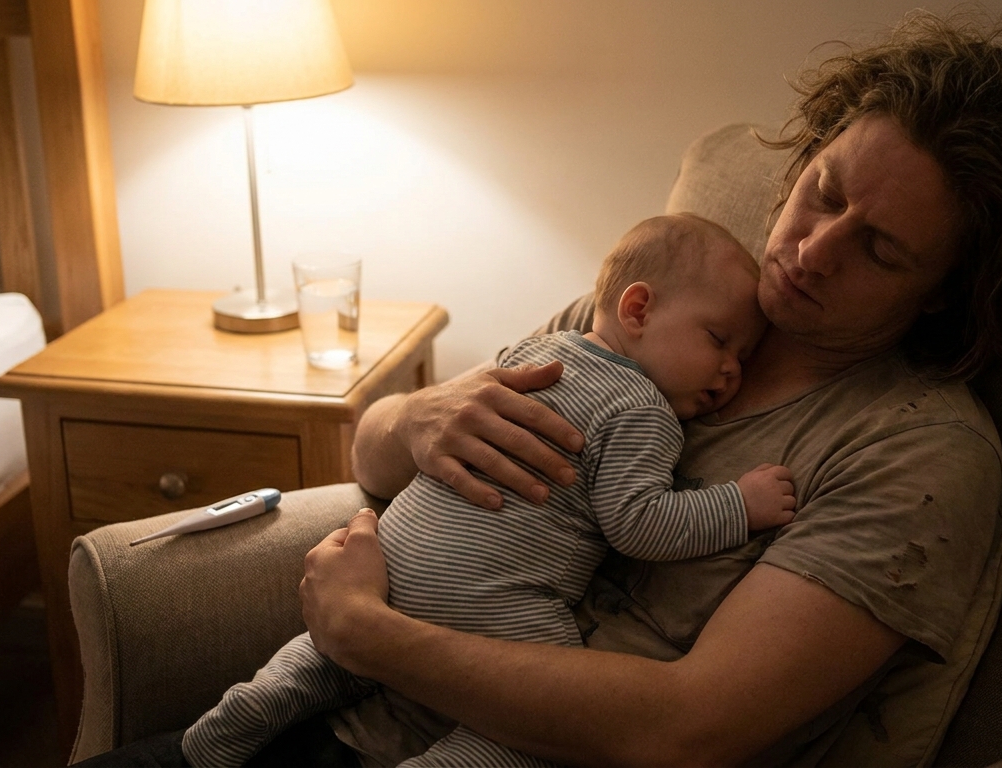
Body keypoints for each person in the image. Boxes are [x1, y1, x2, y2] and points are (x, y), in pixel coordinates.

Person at [74, 11, 1002, 767]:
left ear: (945, 298)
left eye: (880, 250)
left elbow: (685, 730)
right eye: (823, 193)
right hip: (337, 714)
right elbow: (377, 464)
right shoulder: (669, 304)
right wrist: (414, 416)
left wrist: (363, 633)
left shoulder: (913, 456)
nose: (811, 249)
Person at [181, 214, 799, 768]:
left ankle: (245, 714)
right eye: (719, 341)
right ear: (637, 310)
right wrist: (738, 505)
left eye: (744, 357)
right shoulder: (643, 411)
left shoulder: (535, 352)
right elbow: (640, 524)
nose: (731, 372)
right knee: (548, 721)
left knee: (328, 660)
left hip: (393, 562)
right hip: (492, 597)